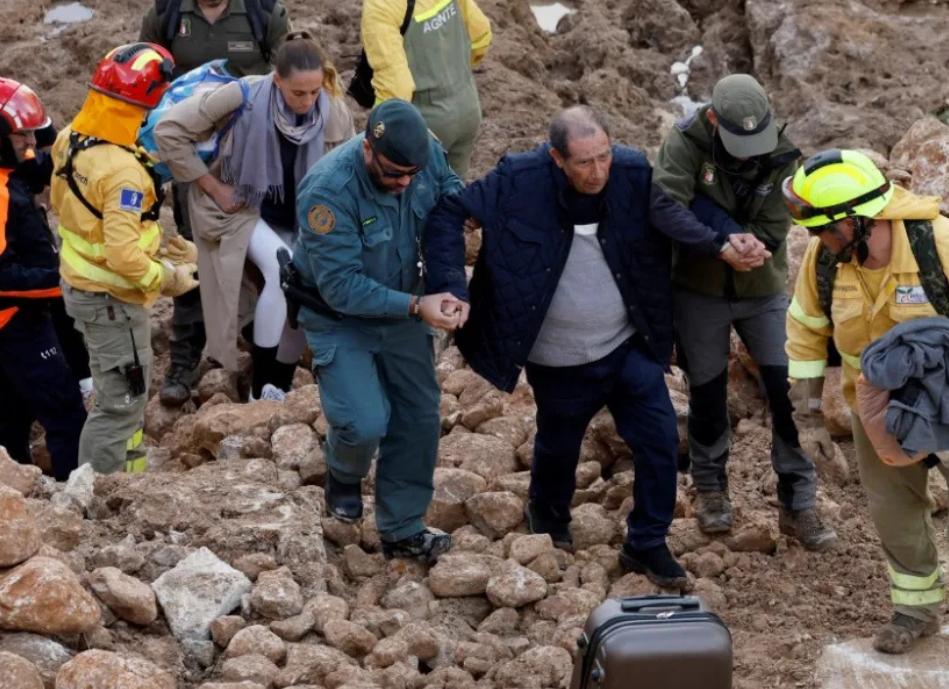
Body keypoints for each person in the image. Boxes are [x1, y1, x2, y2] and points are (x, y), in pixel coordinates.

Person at [425, 106, 737, 589]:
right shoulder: (518, 180)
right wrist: (451, 285)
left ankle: (647, 543)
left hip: (626, 344)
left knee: (658, 441)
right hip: (558, 357)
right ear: (556, 158)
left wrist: (728, 237)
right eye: (584, 163)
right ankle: (548, 517)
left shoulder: (632, 172)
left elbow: (686, 201)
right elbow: (449, 213)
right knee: (559, 442)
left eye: (604, 157)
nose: (598, 172)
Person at [783, 148, 949, 654]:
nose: (819, 241)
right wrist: (807, 417)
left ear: (859, 220)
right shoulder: (826, 260)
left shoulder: (944, 245)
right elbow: (806, 332)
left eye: (826, 229)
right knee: (893, 508)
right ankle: (915, 608)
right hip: (875, 406)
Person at [652, 74, 834, 548]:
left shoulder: (780, 150)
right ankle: (711, 490)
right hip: (699, 289)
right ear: (713, 120)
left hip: (762, 287)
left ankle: (799, 502)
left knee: (790, 389)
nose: (750, 152)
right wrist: (718, 244)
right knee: (708, 394)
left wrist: (753, 245)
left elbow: (776, 220)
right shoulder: (686, 142)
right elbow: (665, 205)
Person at [292, 99, 464, 563]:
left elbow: (450, 198)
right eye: (394, 174)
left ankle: (402, 528)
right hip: (340, 317)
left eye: (413, 174)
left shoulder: (423, 153)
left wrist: (450, 283)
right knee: (364, 422)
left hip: (406, 309)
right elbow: (342, 288)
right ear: (368, 149)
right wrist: (417, 305)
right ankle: (343, 473)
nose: (405, 183)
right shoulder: (328, 192)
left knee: (419, 416)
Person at [141, 0, 292, 408]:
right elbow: (147, 81)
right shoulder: (166, 13)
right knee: (195, 252)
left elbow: (290, 78)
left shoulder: (263, 10)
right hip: (193, 159)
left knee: (264, 246)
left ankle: (259, 339)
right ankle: (186, 358)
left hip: (257, 157)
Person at [155, 32, 354, 401]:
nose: (308, 102)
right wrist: (214, 187)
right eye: (298, 93)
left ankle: (278, 382)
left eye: (315, 92)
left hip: (300, 219)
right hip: (239, 208)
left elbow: (348, 177)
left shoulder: (334, 113)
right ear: (277, 80)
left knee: (306, 289)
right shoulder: (243, 96)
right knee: (284, 272)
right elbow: (169, 130)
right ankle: (261, 386)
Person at [51, 43, 199, 474]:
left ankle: (128, 477)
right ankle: (102, 495)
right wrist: (169, 276)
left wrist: (155, 244)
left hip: (84, 291)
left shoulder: (72, 138)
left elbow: (78, 213)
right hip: (113, 303)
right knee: (121, 402)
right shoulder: (123, 171)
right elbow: (119, 253)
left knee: (120, 394)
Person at [0, 77, 87, 481]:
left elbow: (26, 172)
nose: (31, 141)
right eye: (22, 134)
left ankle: (7, 482)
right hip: (14, 321)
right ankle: (74, 499)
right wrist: (63, 279)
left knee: (10, 412)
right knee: (65, 415)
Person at [326, 0, 492, 178]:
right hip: (468, 108)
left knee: (408, 204)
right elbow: (481, 36)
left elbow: (396, 88)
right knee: (453, 200)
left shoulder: (378, 3)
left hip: (426, 125)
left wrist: (378, 135)